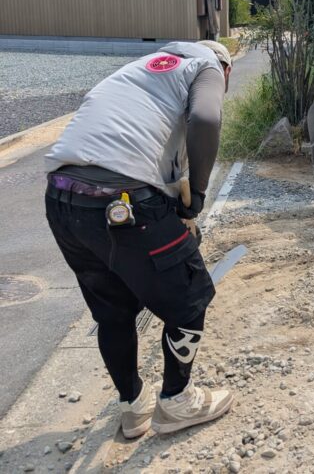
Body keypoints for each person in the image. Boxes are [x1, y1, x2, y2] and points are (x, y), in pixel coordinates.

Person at [44, 40, 235, 438]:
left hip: (63, 200)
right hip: (123, 203)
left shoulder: (140, 71)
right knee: (190, 296)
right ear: (226, 71)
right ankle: (177, 401)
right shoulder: (207, 65)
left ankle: (133, 407)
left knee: (112, 310)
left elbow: (131, 148)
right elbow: (206, 119)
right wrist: (196, 197)